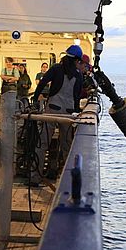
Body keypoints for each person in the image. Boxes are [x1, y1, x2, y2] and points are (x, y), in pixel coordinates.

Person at [30, 45, 84, 182]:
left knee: (43, 144)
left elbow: (42, 83)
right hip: (68, 113)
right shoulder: (78, 75)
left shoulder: (56, 68)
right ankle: (69, 180)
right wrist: (77, 110)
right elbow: (77, 97)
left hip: (52, 110)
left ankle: (35, 177)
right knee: (67, 146)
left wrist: (35, 99)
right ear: (77, 60)